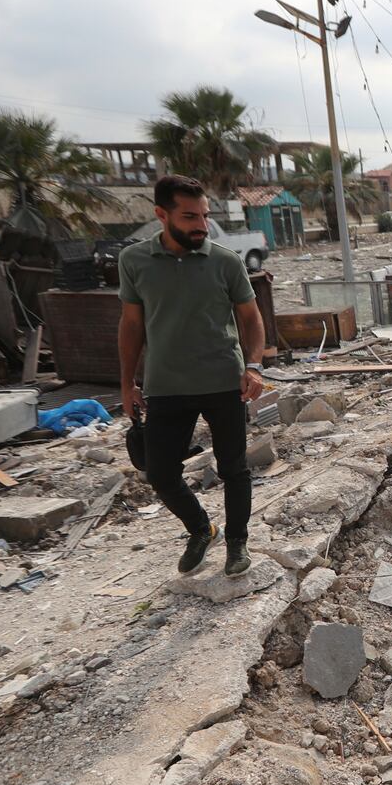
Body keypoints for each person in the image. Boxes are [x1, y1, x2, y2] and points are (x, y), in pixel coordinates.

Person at [119, 175, 266, 576]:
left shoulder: (224, 261)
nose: (200, 224)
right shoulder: (134, 261)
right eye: (189, 216)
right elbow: (131, 326)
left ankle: (237, 542)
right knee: (161, 472)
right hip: (165, 386)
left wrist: (253, 366)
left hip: (224, 381)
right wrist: (126, 383)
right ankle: (201, 529)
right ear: (161, 215)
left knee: (233, 468)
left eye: (204, 215)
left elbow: (251, 319)